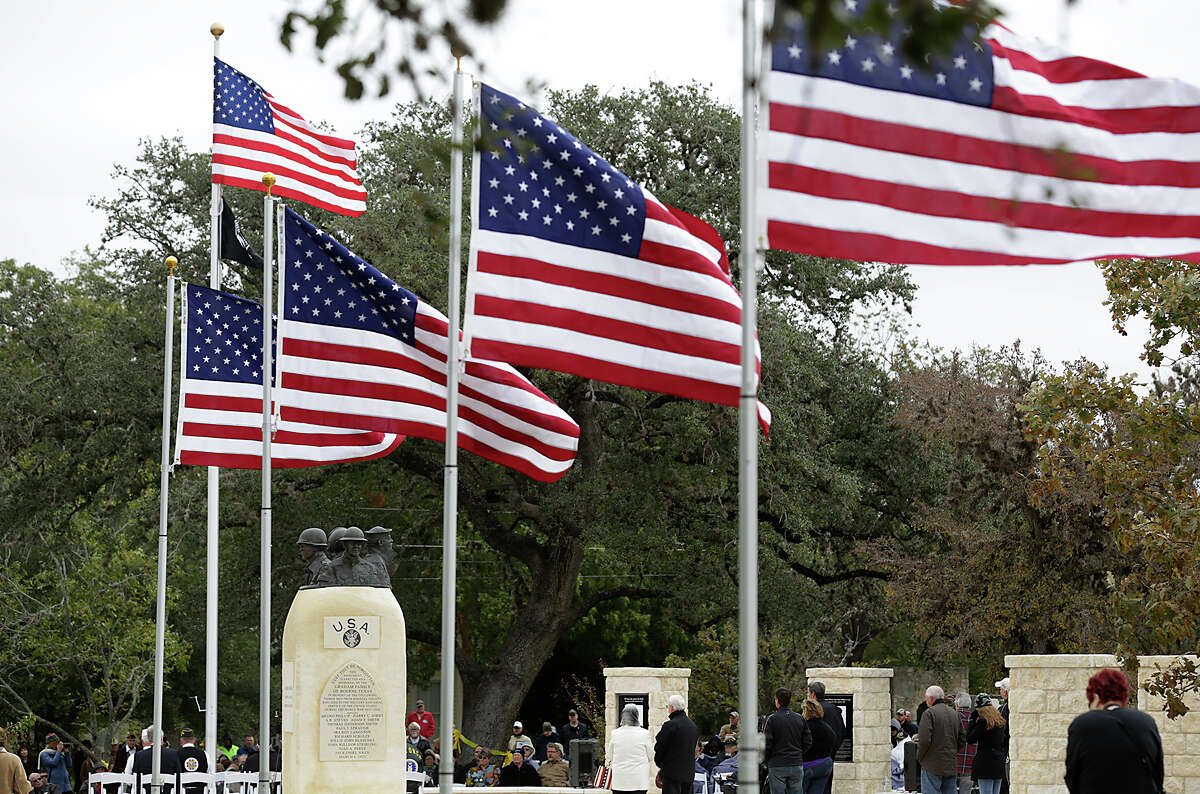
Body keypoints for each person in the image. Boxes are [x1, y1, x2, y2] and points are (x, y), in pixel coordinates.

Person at [1064, 668, 1163, 794]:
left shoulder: (1082, 724)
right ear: (1125, 698)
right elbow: (1158, 775)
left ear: (1096, 697)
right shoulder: (1146, 722)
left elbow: (1072, 776)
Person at [916, 685, 965, 794]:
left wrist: (920, 757)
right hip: (950, 763)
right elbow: (962, 738)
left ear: (931, 699)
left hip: (931, 764)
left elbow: (924, 740)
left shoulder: (929, 714)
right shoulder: (954, 714)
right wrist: (952, 751)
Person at [763, 686, 811, 794]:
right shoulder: (800, 718)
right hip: (796, 763)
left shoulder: (772, 719)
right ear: (789, 701)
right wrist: (799, 753)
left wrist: (767, 759)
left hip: (777, 764)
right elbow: (808, 741)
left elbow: (766, 743)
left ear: (777, 701)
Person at [654, 695, 699, 794]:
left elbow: (660, 748)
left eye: (668, 707)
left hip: (672, 774)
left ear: (672, 708)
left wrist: (659, 763)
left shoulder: (670, 725)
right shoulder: (693, 726)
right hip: (688, 773)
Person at [806, 682, 843, 794]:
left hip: (810, 760)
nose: (807, 695)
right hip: (828, 758)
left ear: (813, 694)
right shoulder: (835, 710)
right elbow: (841, 733)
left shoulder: (809, 711)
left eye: (808, 692)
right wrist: (831, 751)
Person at [607, 705, 654, 794]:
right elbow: (651, 756)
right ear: (637, 716)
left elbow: (610, 755)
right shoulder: (645, 733)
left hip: (619, 781)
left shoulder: (615, 733)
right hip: (639, 781)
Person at [966, 694, 1007, 794]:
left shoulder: (983, 722)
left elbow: (970, 739)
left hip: (985, 762)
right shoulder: (1000, 721)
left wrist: (972, 720)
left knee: (986, 792)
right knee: (996, 791)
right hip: (999, 761)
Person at [128, 727, 181, 794]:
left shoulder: (139, 755)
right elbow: (179, 776)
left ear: (149, 740)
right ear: (161, 739)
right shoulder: (174, 754)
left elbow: (136, 778)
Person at [800, 700, 835, 794]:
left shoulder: (805, 727)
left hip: (808, 764)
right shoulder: (827, 727)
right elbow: (833, 740)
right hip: (825, 764)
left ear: (805, 711)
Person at [953, 693, 977, 794]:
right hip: (970, 761)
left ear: (957, 705)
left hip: (953, 760)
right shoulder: (976, 719)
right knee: (966, 791)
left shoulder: (952, 717)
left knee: (950, 789)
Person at [176, 729, 207, 794]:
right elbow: (209, 772)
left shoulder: (175, 755)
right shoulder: (205, 754)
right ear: (194, 740)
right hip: (201, 791)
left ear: (181, 741)